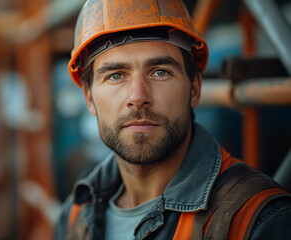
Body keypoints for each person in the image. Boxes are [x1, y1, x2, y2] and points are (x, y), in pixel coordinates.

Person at [54, 0, 291, 239]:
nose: (138, 97)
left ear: (195, 89)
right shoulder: (76, 213)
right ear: (89, 98)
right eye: (116, 75)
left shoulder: (258, 222)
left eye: (160, 72)